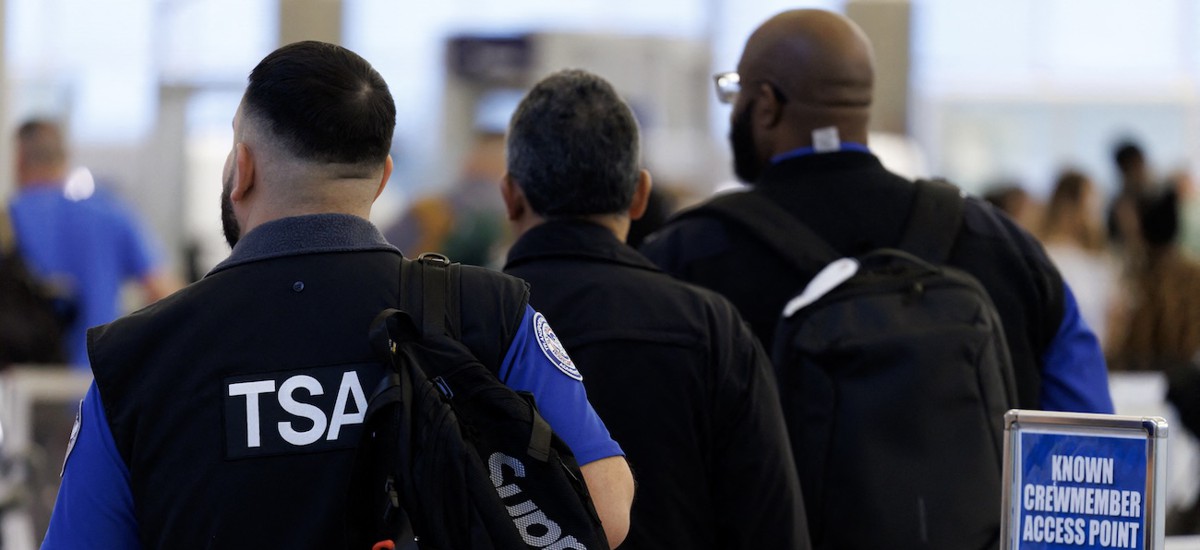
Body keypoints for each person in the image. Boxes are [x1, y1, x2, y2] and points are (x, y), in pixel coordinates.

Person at [42, 41, 633, 549]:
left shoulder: (138, 360)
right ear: (382, 177)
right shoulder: (488, 315)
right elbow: (603, 514)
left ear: (241, 169)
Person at [640, 9, 1113, 414]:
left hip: (770, 526)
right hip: (976, 523)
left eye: (736, 92)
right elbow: (1091, 438)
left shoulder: (688, 257)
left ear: (765, 106)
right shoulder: (1006, 248)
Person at [500, 69, 809, 549]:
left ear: (510, 195)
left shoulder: (462, 323)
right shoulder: (711, 329)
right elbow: (771, 525)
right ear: (640, 195)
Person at [8, 119, 179, 367]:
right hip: (94, 380)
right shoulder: (111, 214)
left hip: (21, 387)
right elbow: (166, 295)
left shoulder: (9, 221)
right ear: (64, 158)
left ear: (20, 160)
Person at [1038, 169, 1122, 351]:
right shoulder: (1043, 255)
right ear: (1068, 206)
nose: (1094, 213)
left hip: (1095, 359)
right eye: (1090, 203)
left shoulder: (1100, 259)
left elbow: (1114, 316)